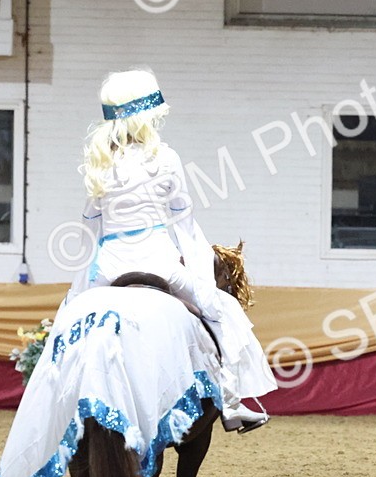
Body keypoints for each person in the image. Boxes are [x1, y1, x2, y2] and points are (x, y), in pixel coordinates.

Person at [70, 68, 276, 433]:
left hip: (108, 266)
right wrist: (201, 274)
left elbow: (90, 228)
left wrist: (82, 284)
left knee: (70, 329)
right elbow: (184, 223)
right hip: (159, 261)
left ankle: (65, 409)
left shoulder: (100, 163)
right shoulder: (165, 157)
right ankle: (231, 405)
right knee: (222, 314)